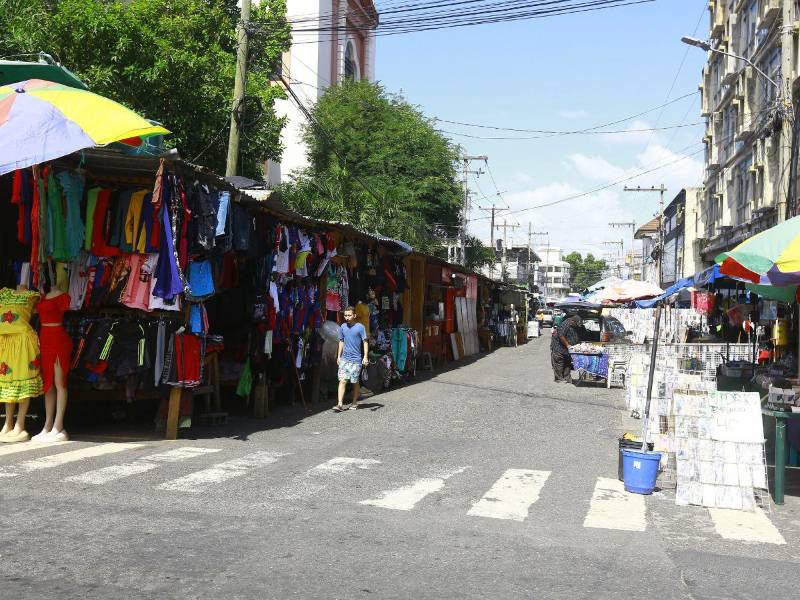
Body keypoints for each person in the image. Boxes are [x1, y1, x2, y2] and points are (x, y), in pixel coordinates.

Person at [335, 306, 369, 412]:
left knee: (355, 382)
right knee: (342, 380)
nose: (347, 317)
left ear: (354, 315)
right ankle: (340, 404)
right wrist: (339, 356)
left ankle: (354, 402)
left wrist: (365, 356)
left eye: (349, 315)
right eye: (345, 315)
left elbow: (365, 342)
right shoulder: (343, 326)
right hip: (344, 359)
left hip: (356, 360)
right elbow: (341, 341)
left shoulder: (360, 327)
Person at [550, 315, 582, 383]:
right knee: (559, 363)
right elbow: (561, 336)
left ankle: (567, 378)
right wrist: (568, 345)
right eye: (576, 324)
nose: (576, 325)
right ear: (572, 321)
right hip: (558, 347)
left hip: (567, 350)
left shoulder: (573, 325)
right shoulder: (565, 324)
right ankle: (559, 378)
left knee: (567, 363)